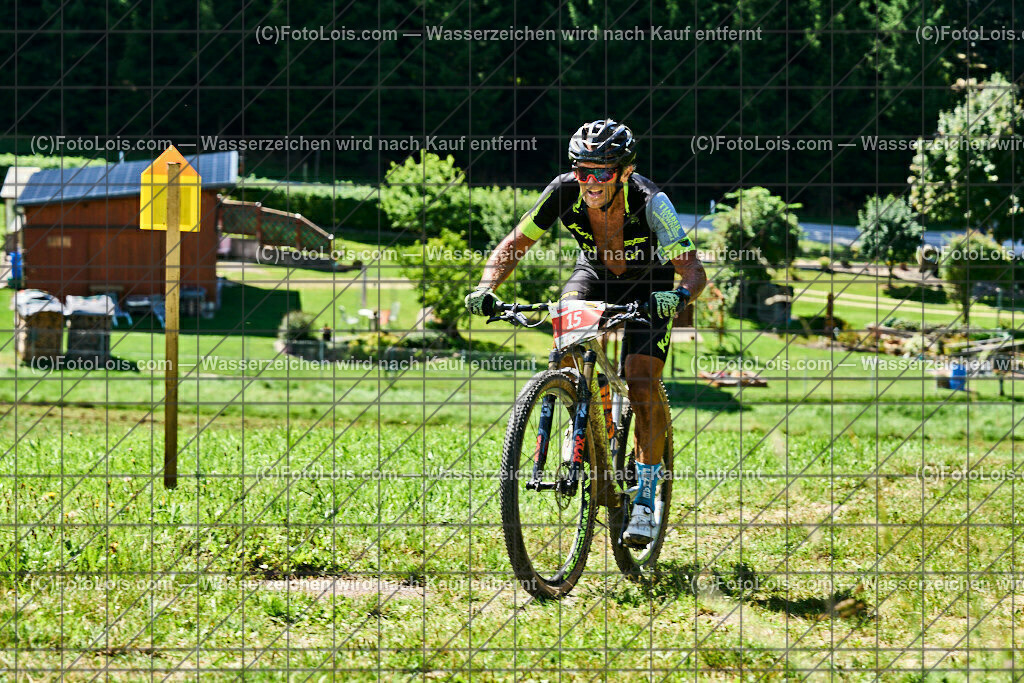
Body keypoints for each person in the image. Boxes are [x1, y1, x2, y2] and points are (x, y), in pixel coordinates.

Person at [465, 119, 707, 547]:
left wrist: (678, 297)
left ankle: (647, 499)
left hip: (648, 286)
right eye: (583, 171)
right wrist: (487, 287)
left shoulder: (653, 202)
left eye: (602, 172)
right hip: (593, 275)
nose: (590, 182)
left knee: (641, 380)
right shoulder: (562, 192)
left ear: (626, 172)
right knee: (566, 340)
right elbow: (514, 244)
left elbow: (692, 270)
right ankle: (579, 412)